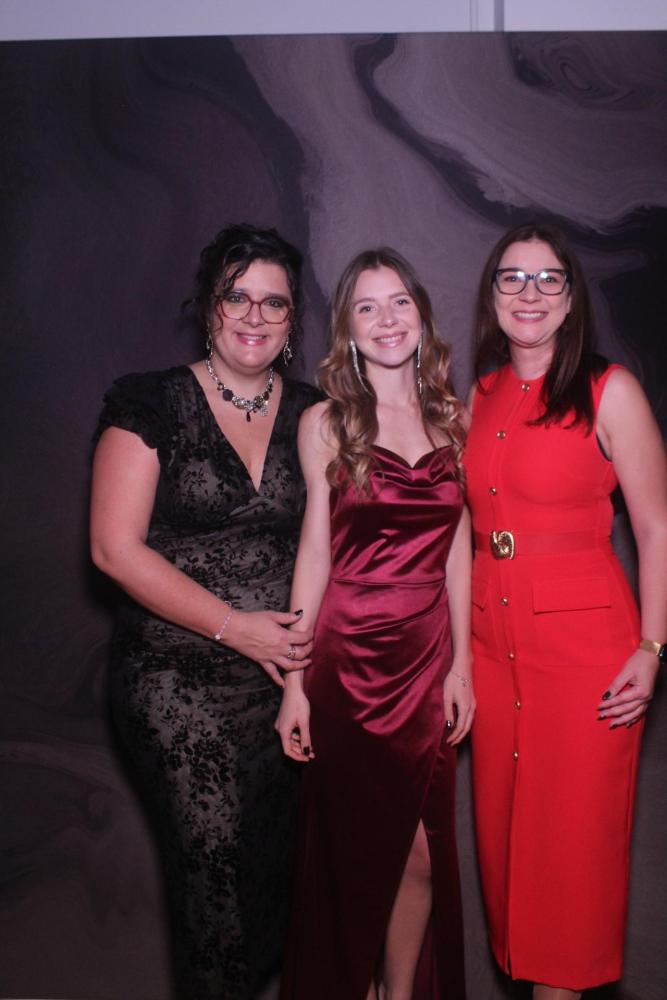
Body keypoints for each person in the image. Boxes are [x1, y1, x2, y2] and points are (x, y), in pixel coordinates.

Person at [90, 223, 320, 1000]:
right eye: (235, 297)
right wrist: (234, 626)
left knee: (269, 890)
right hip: (174, 682)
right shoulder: (151, 402)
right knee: (212, 885)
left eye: (273, 303)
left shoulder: (317, 413)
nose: (254, 316)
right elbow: (114, 549)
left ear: (293, 320)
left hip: (282, 688)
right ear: (208, 306)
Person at [464, 222, 667, 1000]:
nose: (530, 293)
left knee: (568, 865)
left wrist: (651, 649)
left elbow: (655, 528)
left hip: (585, 658)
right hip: (493, 650)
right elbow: (468, 526)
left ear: (571, 296)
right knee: (506, 853)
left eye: (548, 278)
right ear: (491, 295)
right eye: (512, 278)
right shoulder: (481, 395)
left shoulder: (610, 390)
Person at [275, 248, 473, 1000]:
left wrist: (462, 667)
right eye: (367, 307)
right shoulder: (326, 422)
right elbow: (314, 554)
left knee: (419, 854)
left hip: (426, 660)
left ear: (421, 316)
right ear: (347, 330)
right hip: (347, 663)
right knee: (353, 853)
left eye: (399, 303)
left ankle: (397, 991)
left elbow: (459, 555)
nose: (386, 319)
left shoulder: (454, 420)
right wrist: (294, 684)